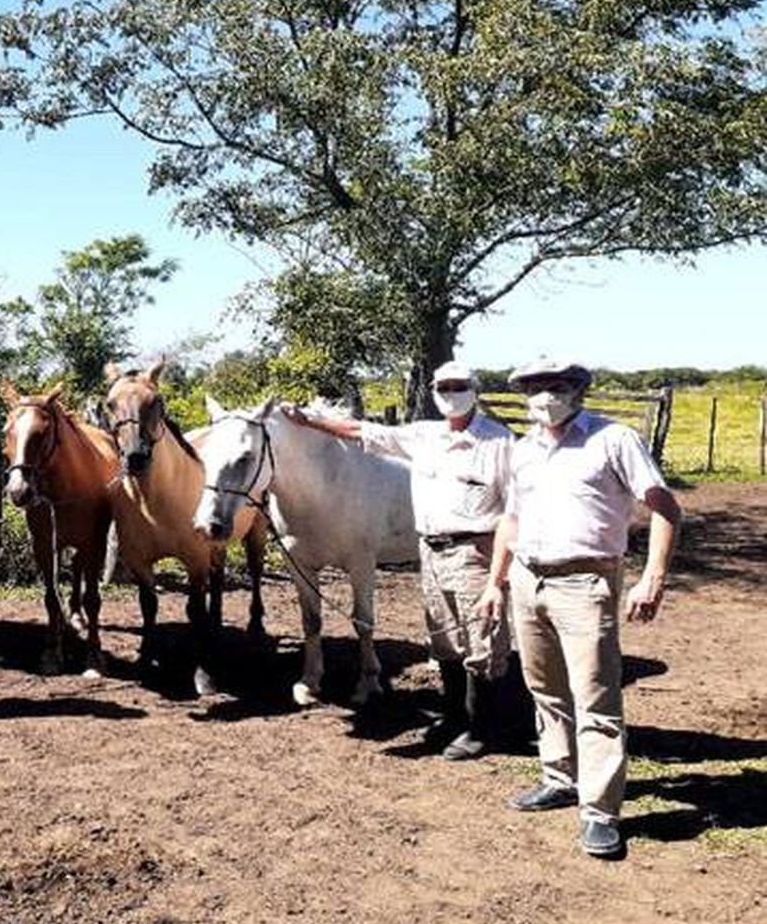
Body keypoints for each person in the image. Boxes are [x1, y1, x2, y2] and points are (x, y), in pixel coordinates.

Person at [474, 358, 680, 860]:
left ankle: (600, 811)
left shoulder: (613, 439)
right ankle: (559, 776)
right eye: (536, 388)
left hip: (587, 579)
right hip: (529, 578)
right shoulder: (522, 451)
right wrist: (496, 582)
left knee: (596, 697)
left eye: (558, 386)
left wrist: (652, 576)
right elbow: (511, 519)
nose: (546, 395)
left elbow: (665, 506)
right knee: (544, 686)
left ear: (579, 390)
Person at [281, 361, 516, 759]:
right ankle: (456, 716)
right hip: (433, 550)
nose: (451, 394)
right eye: (443, 387)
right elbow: (361, 432)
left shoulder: (501, 443)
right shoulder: (424, 435)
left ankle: (482, 727)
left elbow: (514, 510)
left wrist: (499, 575)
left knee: (482, 640)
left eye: (460, 386)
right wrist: (306, 420)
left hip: (476, 549)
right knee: (444, 638)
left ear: (475, 389)